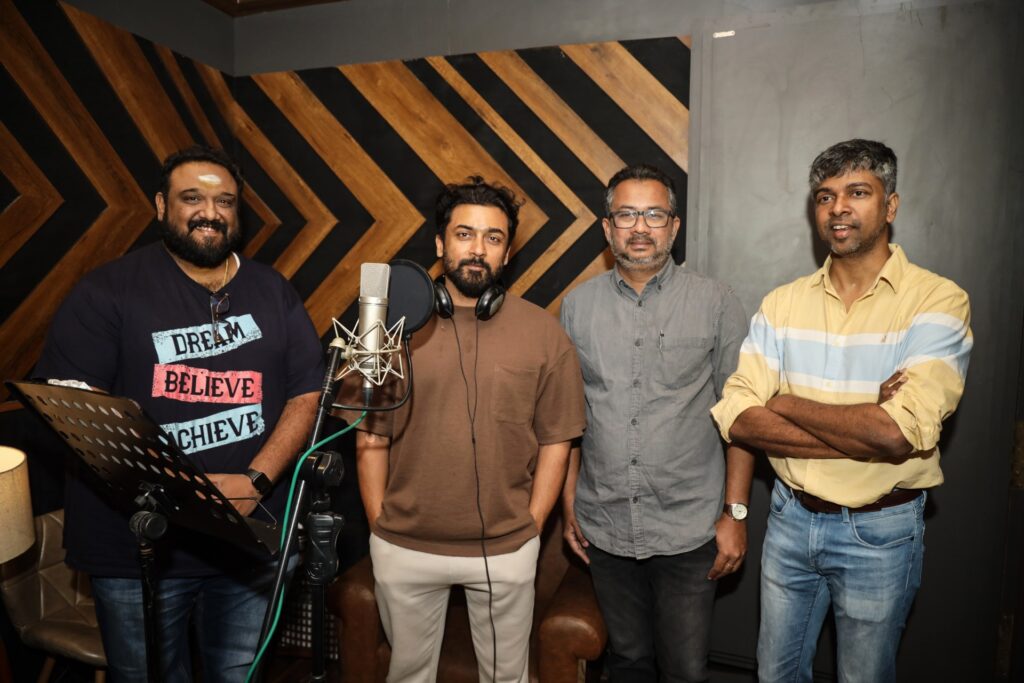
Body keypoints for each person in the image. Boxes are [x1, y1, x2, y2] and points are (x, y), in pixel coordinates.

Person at [34, 144, 324, 682]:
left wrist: (255, 481)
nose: (210, 213)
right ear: (161, 205)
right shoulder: (106, 292)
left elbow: (307, 394)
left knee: (238, 675)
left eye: (225, 201)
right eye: (193, 198)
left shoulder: (273, 290)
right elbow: (75, 413)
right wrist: (179, 497)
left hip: (249, 540)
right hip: (139, 547)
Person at [710, 139, 973, 683]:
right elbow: (736, 414)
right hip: (789, 519)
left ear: (890, 205)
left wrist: (784, 403)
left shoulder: (937, 301)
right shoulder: (782, 304)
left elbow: (897, 434)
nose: (838, 208)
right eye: (825, 196)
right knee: (776, 675)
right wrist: (863, 424)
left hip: (881, 531)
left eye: (858, 192)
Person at [348, 177, 585, 683]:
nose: (478, 249)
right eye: (464, 234)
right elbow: (370, 436)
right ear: (440, 244)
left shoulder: (545, 334)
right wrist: (380, 525)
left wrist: (531, 527)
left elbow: (557, 440)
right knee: (406, 676)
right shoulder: (387, 328)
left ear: (507, 252)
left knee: (507, 677)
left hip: (506, 548)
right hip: (404, 546)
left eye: (493, 238)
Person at [559, 163, 754, 682]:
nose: (640, 227)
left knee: (685, 670)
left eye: (654, 214)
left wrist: (735, 513)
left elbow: (742, 417)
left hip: (689, 527)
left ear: (674, 225)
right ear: (607, 228)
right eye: (626, 215)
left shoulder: (717, 302)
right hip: (604, 524)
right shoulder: (576, 307)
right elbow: (569, 416)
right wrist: (569, 502)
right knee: (626, 662)